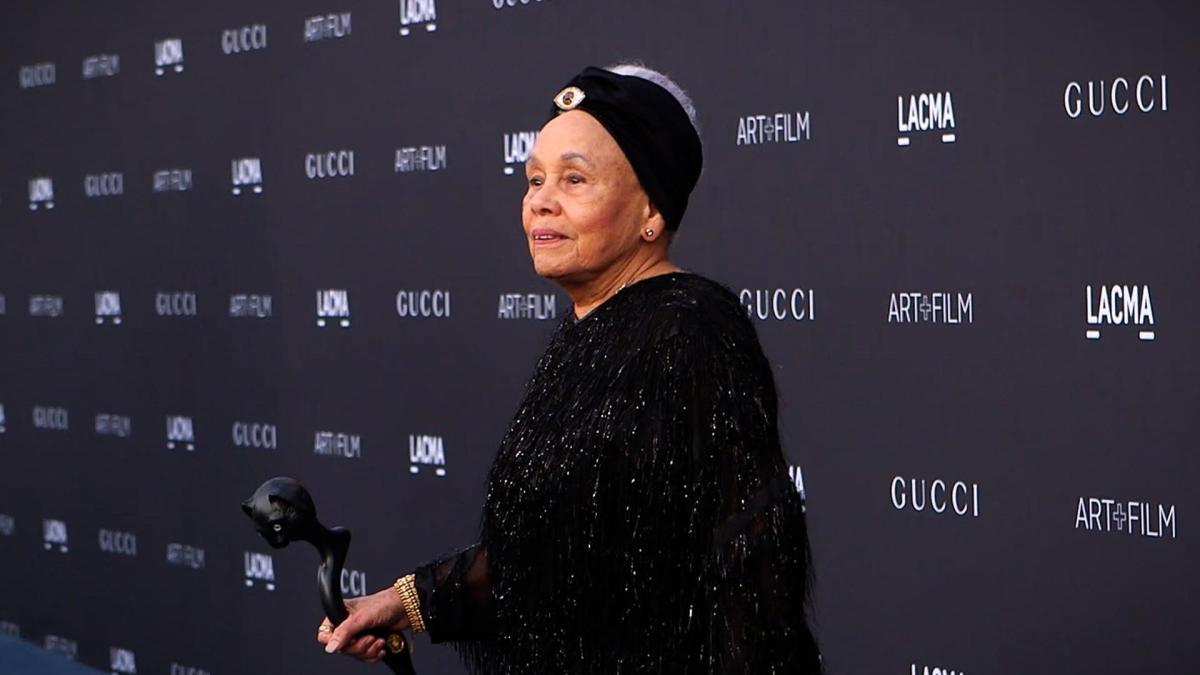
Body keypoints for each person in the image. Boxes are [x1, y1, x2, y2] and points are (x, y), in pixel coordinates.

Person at [316, 63, 822, 674]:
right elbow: (561, 553)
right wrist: (406, 604)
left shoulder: (690, 332)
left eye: (574, 179)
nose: (540, 201)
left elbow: (748, 570)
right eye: (534, 179)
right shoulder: (590, 329)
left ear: (652, 209)